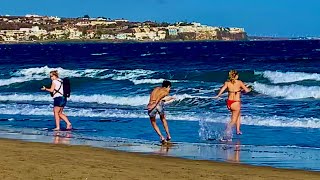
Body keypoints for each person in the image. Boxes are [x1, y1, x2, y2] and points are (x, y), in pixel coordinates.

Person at [214, 70, 251, 137]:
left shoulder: (227, 83)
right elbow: (247, 90)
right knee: (233, 121)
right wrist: (250, 89)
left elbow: (222, 89)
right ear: (236, 75)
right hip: (236, 103)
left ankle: (238, 130)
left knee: (238, 115)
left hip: (229, 103)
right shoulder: (239, 82)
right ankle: (225, 133)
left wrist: (218, 95)